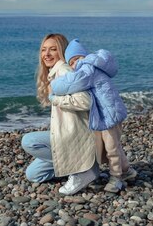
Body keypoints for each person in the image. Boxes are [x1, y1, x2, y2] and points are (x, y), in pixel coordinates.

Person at [50, 39, 137, 193]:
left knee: (111, 148)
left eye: (77, 59)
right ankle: (127, 171)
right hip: (107, 113)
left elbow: (71, 83)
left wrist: (54, 87)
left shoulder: (87, 68)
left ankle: (116, 178)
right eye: (72, 62)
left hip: (109, 115)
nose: (75, 64)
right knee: (114, 145)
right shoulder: (93, 66)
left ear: (84, 56)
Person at [21, 33, 99, 195]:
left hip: (78, 136)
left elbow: (86, 101)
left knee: (29, 141)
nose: (47, 54)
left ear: (61, 51)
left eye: (53, 49)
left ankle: (83, 170)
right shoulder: (53, 73)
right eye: (43, 50)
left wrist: (54, 98)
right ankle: (85, 166)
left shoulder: (64, 71)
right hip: (67, 136)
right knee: (34, 175)